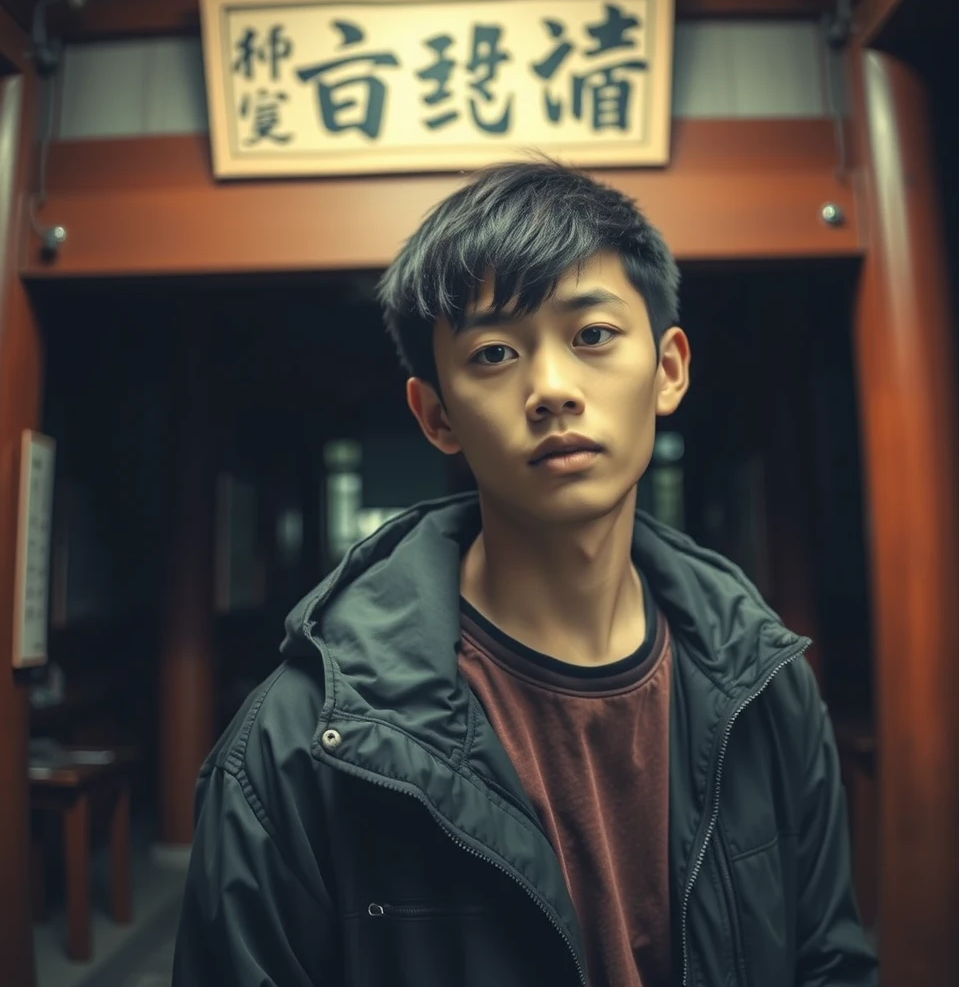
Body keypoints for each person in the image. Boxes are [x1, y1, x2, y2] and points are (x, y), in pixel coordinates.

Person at [173, 161, 878, 987]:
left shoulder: (765, 687)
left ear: (669, 369)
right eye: (496, 352)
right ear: (436, 416)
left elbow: (829, 961)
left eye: (593, 336)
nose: (551, 389)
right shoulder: (302, 741)